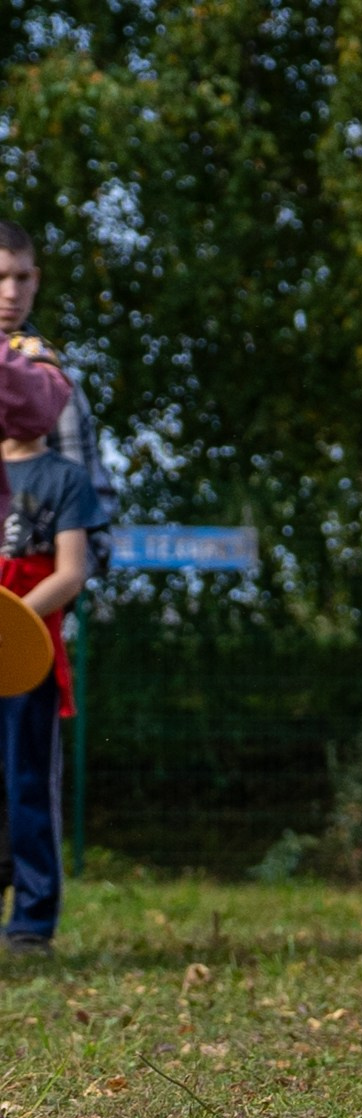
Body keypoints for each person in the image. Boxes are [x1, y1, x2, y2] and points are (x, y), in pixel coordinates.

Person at [0, 328, 99, 955]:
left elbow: (71, 571)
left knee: (27, 783)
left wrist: (9, 617)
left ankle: (33, 921)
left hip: (29, 657)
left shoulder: (67, 479)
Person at [0, 222, 117, 570]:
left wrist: (53, 583)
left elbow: (90, 512)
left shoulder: (48, 377)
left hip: (27, 585)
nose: (10, 293)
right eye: (0, 277)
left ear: (36, 280)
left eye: (21, 278)